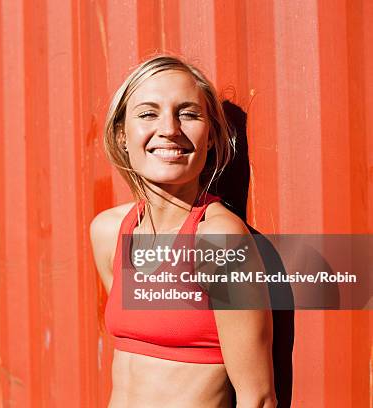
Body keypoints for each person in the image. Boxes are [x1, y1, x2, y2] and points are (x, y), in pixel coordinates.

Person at [90, 55, 276, 407]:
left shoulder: (218, 240)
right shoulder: (109, 231)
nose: (170, 129)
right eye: (148, 113)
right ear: (122, 135)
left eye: (188, 113)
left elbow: (259, 397)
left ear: (210, 138)